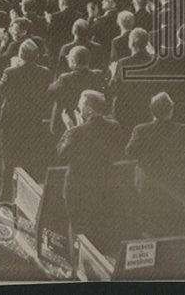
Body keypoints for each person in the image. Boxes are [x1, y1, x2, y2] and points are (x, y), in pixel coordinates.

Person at [56, 90, 126, 258]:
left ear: (88, 110)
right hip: (104, 186)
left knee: (77, 229)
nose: (78, 108)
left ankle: (75, 268)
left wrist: (70, 128)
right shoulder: (115, 126)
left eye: (80, 105)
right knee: (98, 226)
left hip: (78, 189)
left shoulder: (76, 132)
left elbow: (61, 154)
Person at [126, 91, 185, 235]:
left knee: (150, 224)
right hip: (175, 183)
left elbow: (130, 152)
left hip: (149, 184)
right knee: (172, 224)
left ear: (151, 110)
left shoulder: (141, 130)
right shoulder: (184, 131)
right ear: (171, 110)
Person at [0, 39, 52, 199]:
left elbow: (0, 89)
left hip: (11, 120)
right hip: (33, 120)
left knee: (7, 159)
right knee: (29, 157)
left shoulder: (10, 72)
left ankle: (5, 194)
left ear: (20, 55)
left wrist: (14, 66)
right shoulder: (45, 72)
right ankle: (27, 197)